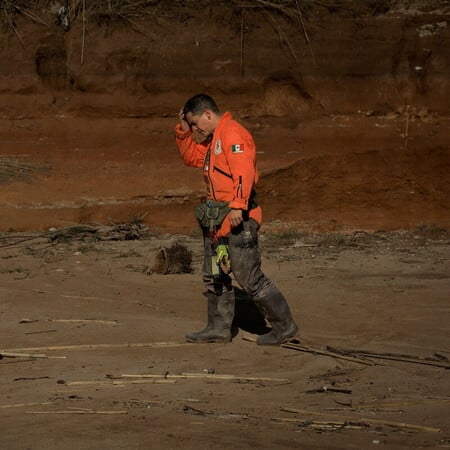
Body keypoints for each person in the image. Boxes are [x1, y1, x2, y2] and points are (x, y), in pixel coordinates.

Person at [174, 93, 298, 346]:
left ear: (208, 114)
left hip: (236, 217)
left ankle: (284, 326)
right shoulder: (214, 139)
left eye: (196, 123)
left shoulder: (232, 133)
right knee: (214, 273)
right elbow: (191, 158)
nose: (196, 129)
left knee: (248, 275)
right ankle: (218, 328)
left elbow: (244, 171)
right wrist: (183, 131)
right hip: (216, 221)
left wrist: (238, 207)